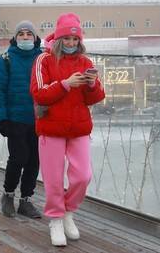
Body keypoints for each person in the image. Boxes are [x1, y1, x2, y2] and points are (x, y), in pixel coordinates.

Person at [31, 13, 105, 246]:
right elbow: (39, 94)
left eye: (75, 40)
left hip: (79, 127)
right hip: (51, 127)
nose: (72, 44)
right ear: (60, 39)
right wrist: (65, 85)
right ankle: (55, 218)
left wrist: (92, 84)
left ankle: (69, 212)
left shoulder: (85, 62)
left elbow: (96, 97)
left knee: (83, 175)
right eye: (67, 40)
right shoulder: (44, 60)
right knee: (53, 178)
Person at [0, 21, 42, 219]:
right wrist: (2, 119)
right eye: (21, 34)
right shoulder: (6, 59)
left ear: (35, 38)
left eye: (29, 34)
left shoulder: (43, 58)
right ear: (15, 38)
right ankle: (8, 194)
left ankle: (26, 201)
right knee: (18, 158)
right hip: (15, 120)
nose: (25, 37)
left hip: (39, 120)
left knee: (34, 161)